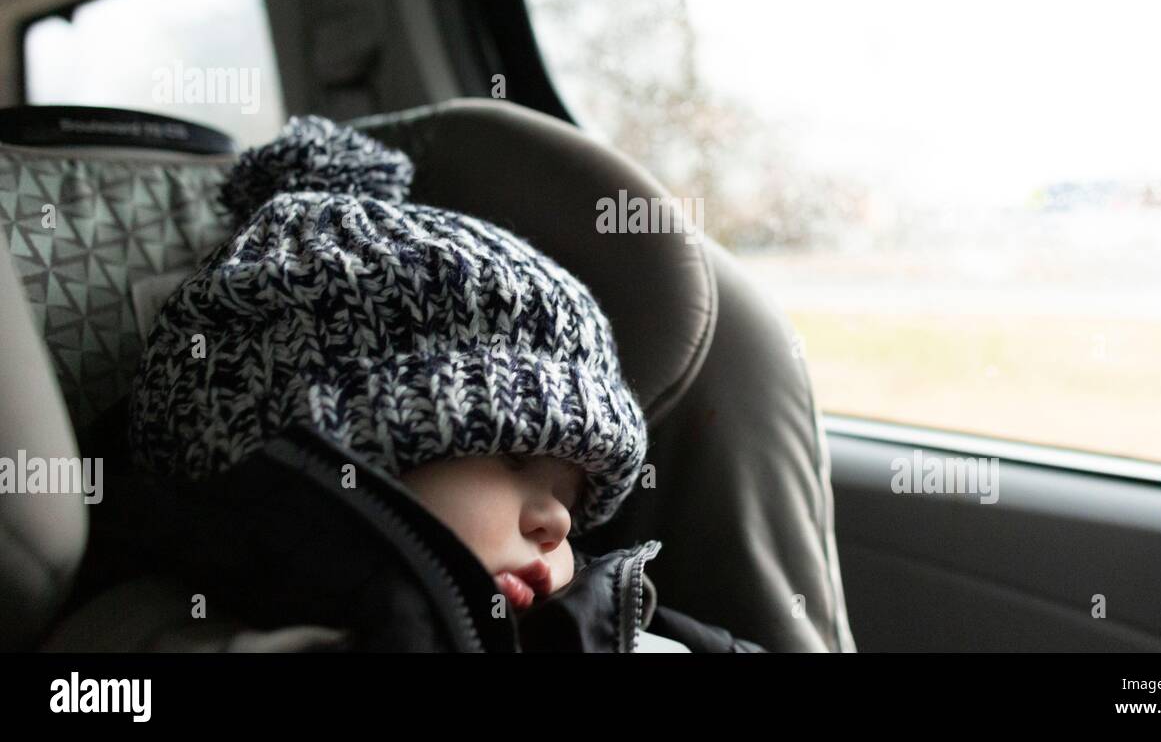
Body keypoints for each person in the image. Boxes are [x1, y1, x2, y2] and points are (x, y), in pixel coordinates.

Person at [57, 115, 765, 653]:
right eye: (515, 458)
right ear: (347, 441)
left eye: (572, 501)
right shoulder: (160, 628)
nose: (555, 526)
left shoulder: (603, 621)